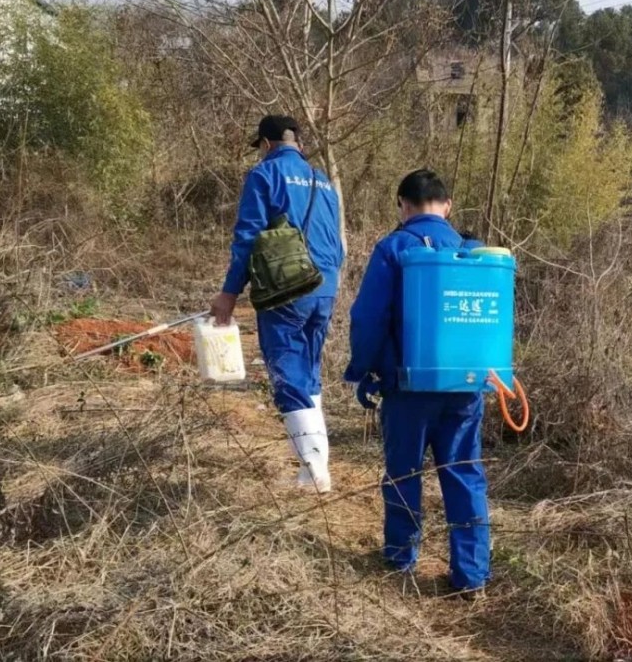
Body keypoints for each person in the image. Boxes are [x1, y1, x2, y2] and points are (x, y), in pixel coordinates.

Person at [344, 169, 490, 598]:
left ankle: (401, 558)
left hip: (406, 388)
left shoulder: (394, 248)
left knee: (404, 472)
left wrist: (363, 369)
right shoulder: (475, 254)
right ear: (447, 206)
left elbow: (368, 318)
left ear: (403, 206)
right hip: (464, 389)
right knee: (464, 475)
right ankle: (472, 577)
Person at [210, 115, 344, 494]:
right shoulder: (322, 180)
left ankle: (315, 472)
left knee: (287, 375)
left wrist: (229, 293)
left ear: (267, 143)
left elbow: (248, 237)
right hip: (324, 287)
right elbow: (335, 241)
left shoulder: (264, 174)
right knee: (309, 374)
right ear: (297, 141)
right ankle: (311, 470)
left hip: (286, 290)